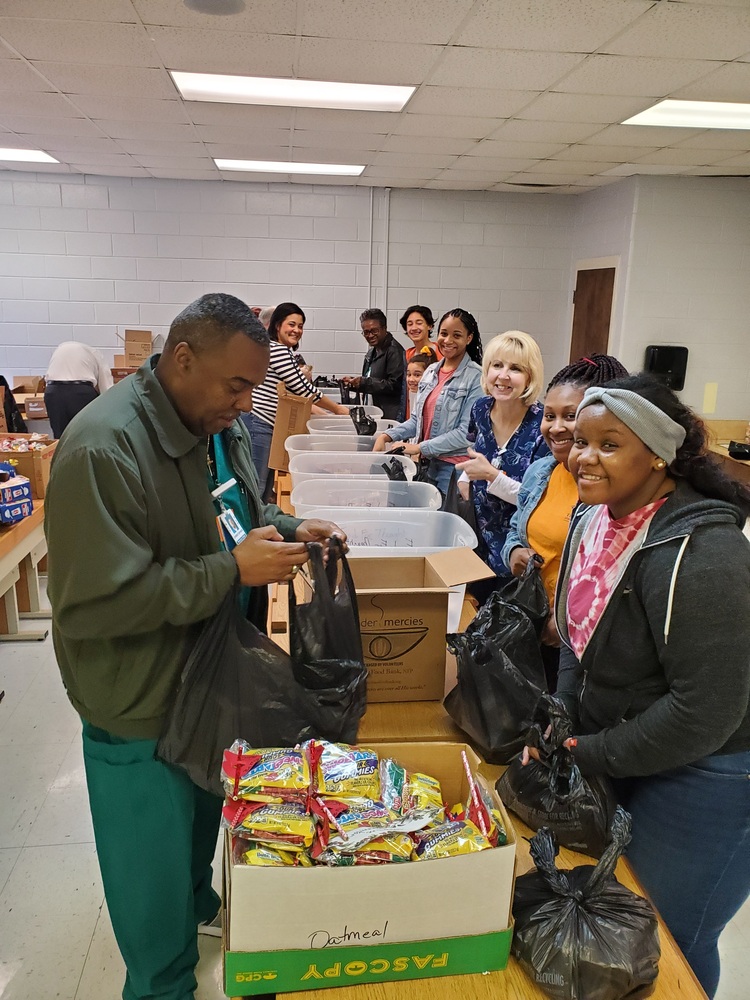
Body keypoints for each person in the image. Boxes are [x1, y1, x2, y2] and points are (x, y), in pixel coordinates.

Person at [44, 293, 345, 1000]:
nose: (248, 403)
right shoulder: (104, 449)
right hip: (139, 701)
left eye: (253, 386)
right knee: (150, 886)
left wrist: (290, 525)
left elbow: (235, 506)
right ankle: (162, 979)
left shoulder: (214, 422)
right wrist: (228, 573)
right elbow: (95, 607)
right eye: (237, 386)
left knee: (202, 815)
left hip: (210, 669)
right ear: (182, 360)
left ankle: (196, 905)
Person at [532, 374, 750, 999]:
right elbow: (577, 636)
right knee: (622, 927)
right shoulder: (593, 518)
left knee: (669, 939)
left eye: (609, 444)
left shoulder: (704, 552)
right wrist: (565, 716)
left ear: (657, 454)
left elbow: (705, 710)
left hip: (714, 771)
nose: (583, 457)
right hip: (634, 742)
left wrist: (590, 752)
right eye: (579, 441)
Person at [501, 355, 628, 688]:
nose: (556, 428)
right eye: (549, 415)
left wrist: (571, 616)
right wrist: (514, 552)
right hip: (534, 622)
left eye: (570, 417)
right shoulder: (541, 472)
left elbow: (615, 570)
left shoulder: (610, 490)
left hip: (582, 639)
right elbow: (516, 528)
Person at [456, 330, 546, 586]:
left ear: (530, 376)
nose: (503, 376)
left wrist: (492, 477)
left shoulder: (543, 425)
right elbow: (479, 453)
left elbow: (539, 500)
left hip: (516, 549)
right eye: (497, 365)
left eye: (515, 368)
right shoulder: (481, 408)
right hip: (476, 538)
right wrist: (465, 478)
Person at [373, 308, 483, 496]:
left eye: (457, 335)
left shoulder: (476, 377)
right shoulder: (431, 371)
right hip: (427, 466)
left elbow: (467, 434)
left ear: (469, 338)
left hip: (454, 470)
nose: (447, 341)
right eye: (444, 333)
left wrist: (420, 447)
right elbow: (417, 420)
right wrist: (387, 435)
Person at [242, 302, 348, 499]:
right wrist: (338, 410)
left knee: (264, 491)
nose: (296, 330)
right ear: (277, 326)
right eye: (291, 325)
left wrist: (325, 414)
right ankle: (251, 528)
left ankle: (262, 527)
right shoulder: (277, 350)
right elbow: (303, 388)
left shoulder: (283, 351)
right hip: (259, 424)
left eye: (300, 326)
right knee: (257, 487)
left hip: (266, 426)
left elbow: (297, 393)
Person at [340, 308, 406, 420]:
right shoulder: (372, 351)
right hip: (375, 411)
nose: (370, 335)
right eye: (366, 332)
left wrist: (364, 382)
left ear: (384, 328)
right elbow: (372, 381)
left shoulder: (395, 351)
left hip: (389, 416)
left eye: (374, 331)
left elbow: (394, 386)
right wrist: (354, 383)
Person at [44, 340, 113, 438]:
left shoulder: (60, 349)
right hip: (81, 394)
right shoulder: (96, 354)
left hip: (53, 392)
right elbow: (107, 390)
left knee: (60, 439)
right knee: (85, 437)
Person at [405, 346, 438, 419]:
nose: (411, 379)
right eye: (409, 374)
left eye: (417, 375)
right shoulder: (412, 392)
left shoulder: (434, 399)